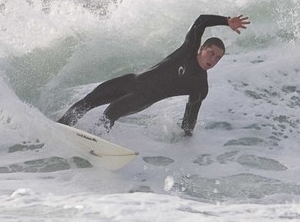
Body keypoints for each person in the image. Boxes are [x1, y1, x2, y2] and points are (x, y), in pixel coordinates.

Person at [57, 14, 250, 136]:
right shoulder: (188, 49)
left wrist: (188, 138)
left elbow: (189, 119)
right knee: (89, 100)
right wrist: (226, 21)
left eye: (218, 58)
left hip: (144, 98)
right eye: (211, 53)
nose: (213, 60)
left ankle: (93, 145)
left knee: (112, 111)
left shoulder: (200, 86)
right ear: (202, 49)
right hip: (130, 81)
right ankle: (59, 128)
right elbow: (201, 21)